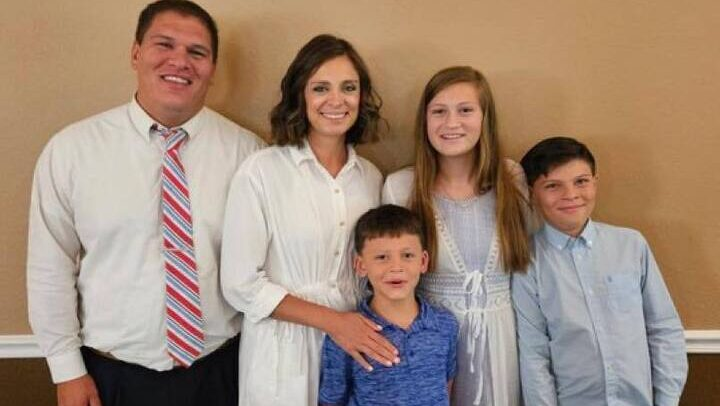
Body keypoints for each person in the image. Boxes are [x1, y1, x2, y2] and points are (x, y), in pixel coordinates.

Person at [26, 1, 263, 405]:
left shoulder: (249, 155)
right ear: (136, 53)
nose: (180, 61)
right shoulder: (72, 151)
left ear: (212, 68)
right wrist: (66, 370)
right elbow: (50, 267)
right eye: (164, 44)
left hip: (222, 372)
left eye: (197, 52)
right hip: (109, 376)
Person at [220, 34, 394, 406]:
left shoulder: (371, 178)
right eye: (320, 88)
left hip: (353, 348)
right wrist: (334, 322)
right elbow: (239, 284)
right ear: (300, 95)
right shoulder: (261, 172)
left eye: (349, 87)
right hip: (282, 351)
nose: (337, 100)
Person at [382, 66, 530, 406]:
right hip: (431, 343)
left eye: (465, 110)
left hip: (504, 340)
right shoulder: (401, 187)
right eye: (439, 111)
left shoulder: (511, 179)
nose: (452, 123)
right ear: (424, 120)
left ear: (485, 119)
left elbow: (532, 265)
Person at [512, 136, 688, 405]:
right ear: (532, 193)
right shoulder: (527, 262)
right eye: (553, 186)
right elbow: (534, 354)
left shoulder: (631, 245)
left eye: (581, 181)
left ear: (595, 182)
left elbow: (663, 328)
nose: (571, 195)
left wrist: (666, 400)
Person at [318, 204, 459, 406]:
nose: (396, 267)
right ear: (360, 265)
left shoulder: (446, 325)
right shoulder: (346, 335)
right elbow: (331, 401)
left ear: (423, 261)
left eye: (407, 255)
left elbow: (447, 388)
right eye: (382, 257)